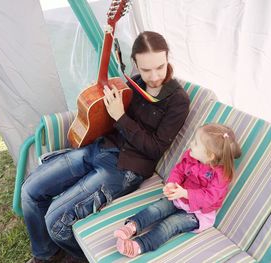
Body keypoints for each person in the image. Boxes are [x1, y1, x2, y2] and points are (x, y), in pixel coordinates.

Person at [21, 31, 190, 263]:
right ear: (134, 64)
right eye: (146, 69)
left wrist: (121, 117)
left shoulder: (178, 101)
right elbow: (110, 118)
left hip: (125, 168)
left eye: (160, 67)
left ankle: (80, 257)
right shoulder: (134, 83)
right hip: (99, 148)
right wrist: (100, 102)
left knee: (55, 221)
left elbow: (155, 148)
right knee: (30, 189)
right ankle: (45, 254)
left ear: (168, 58)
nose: (154, 76)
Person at [114, 123, 242, 258]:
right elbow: (179, 170)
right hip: (179, 197)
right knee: (157, 208)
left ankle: (139, 246)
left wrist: (186, 193)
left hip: (198, 213)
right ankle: (132, 226)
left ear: (209, 155)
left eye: (196, 143)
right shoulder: (191, 156)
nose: (191, 143)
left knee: (170, 225)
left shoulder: (221, 175)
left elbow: (210, 197)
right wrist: (172, 184)